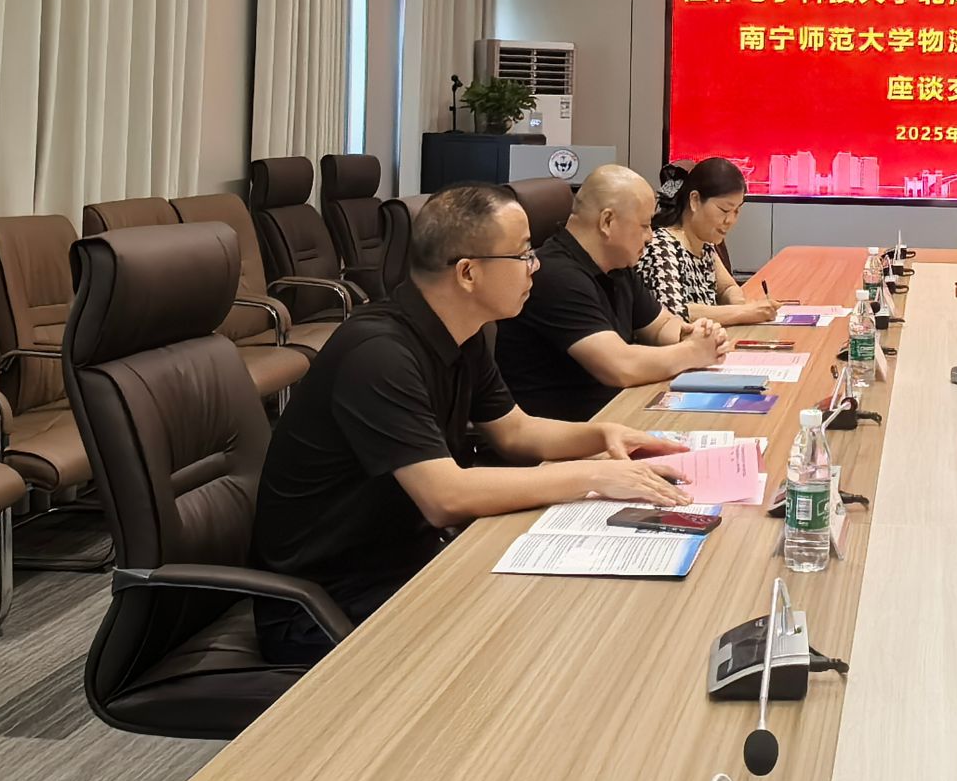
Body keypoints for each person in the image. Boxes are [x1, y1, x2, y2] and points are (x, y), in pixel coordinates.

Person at [250, 184, 693, 664]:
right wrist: (594, 475)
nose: (535, 266)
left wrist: (602, 436)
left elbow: (515, 432)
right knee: (550, 641)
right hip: (326, 604)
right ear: (467, 272)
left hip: (411, 561)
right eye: (522, 254)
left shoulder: (465, 334)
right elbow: (446, 497)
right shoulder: (378, 354)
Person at [494, 164, 730, 420]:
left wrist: (693, 334)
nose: (650, 237)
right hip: (572, 431)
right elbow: (620, 367)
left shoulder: (617, 264)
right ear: (607, 222)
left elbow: (660, 325)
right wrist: (693, 352)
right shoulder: (555, 275)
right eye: (644, 226)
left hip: (617, 413)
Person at [639, 158, 780, 325]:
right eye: (724, 210)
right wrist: (745, 312)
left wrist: (738, 302)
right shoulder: (661, 247)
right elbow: (673, 312)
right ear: (695, 200)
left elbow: (727, 287)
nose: (730, 220)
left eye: (736, 211)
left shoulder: (705, 245)